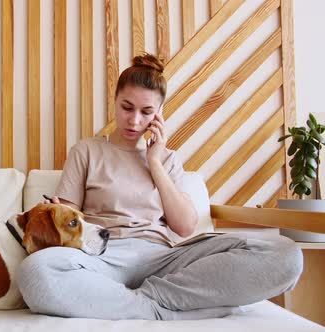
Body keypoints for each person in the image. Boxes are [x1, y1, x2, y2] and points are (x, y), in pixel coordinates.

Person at [16, 54, 303, 320]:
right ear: (115, 100)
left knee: (286, 256)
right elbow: (69, 225)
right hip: (103, 258)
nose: (135, 120)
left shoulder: (167, 159)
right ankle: (165, 310)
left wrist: (154, 161)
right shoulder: (87, 151)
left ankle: (146, 300)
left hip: (166, 261)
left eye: (146, 111)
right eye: (127, 107)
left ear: (160, 113)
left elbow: (185, 227)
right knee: (35, 272)